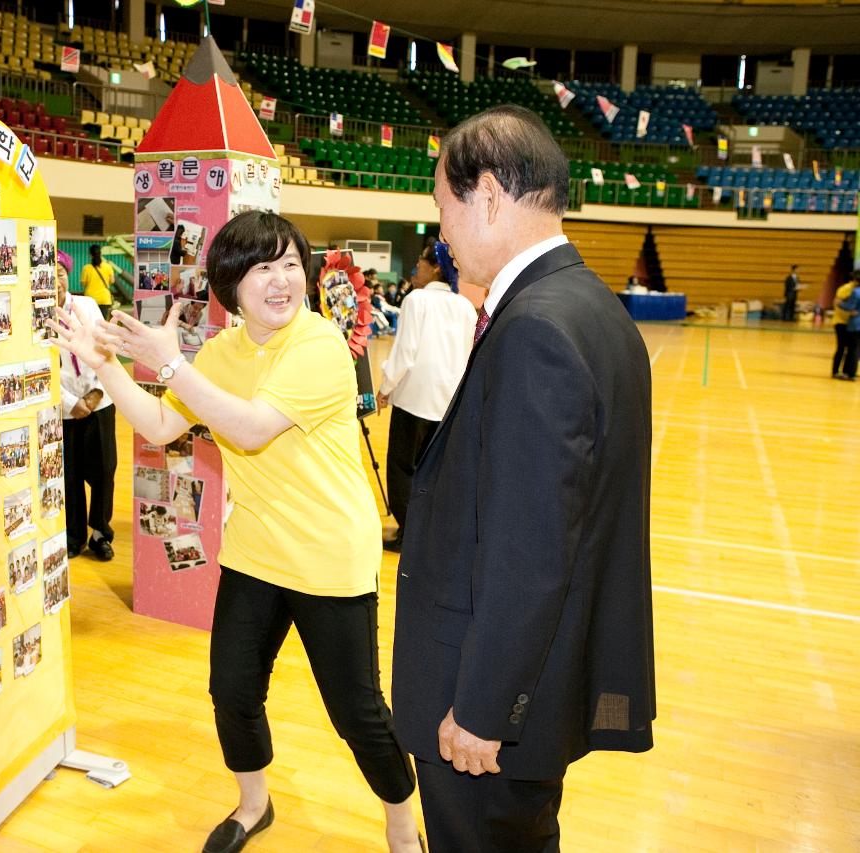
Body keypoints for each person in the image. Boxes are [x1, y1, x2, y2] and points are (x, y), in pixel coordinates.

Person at [50, 210, 422, 853]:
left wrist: (170, 367)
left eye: (288, 264)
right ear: (229, 284)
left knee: (357, 714)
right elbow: (160, 427)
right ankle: (255, 805)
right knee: (233, 691)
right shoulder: (221, 352)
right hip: (255, 551)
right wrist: (103, 365)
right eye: (260, 268)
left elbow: (249, 428)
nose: (280, 280)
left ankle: (403, 826)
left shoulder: (320, 345)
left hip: (330, 556)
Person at [392, 105, 655, 852]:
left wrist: (483, 706)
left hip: (493, 706)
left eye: (442, 205)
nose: (440, 229)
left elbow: (532, 549)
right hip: (542, 681)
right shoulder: (594, 307)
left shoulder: (536, 325)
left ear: (487, 196)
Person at [376, 241, 476, 552]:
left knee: (402, 469)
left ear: (434, 267)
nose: (414, 268)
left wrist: (385, 388)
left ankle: (409, 534)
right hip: (447, 405)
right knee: (433, 472)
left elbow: (405, 353)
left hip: (414, 400)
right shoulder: (463, 306)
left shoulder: (417, 300)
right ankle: (429, 532)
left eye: (419, 262)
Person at [56, 250, 118, 560]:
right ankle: (74, 535)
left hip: (99, 401)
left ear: (68, 275)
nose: (55, 280)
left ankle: (100, 534)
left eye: (60, 272)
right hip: (64, 410)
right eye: (48, 274)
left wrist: (93, 395)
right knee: (70, 475)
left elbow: (104, 348)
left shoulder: (87, 306)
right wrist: (70, 403)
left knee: (104, 470)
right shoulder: (35, 317)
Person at [80, 244, 130, 321]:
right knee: (103, 322)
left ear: (90, 255)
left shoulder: (86, 268)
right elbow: (112, 281)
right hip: (104, 298)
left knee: (91, 321)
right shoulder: (108, 267)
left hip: (90, 299)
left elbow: (83, 283)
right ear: (100, 254)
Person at [831, 273, 857, 380]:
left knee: (850, 348)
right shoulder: (846, 288)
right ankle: (835, 371)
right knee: (841, 347)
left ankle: (847, 371)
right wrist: (849, 313)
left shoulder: (856, 289)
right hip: (841, 322)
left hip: (851, 323)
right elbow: (837, 303)